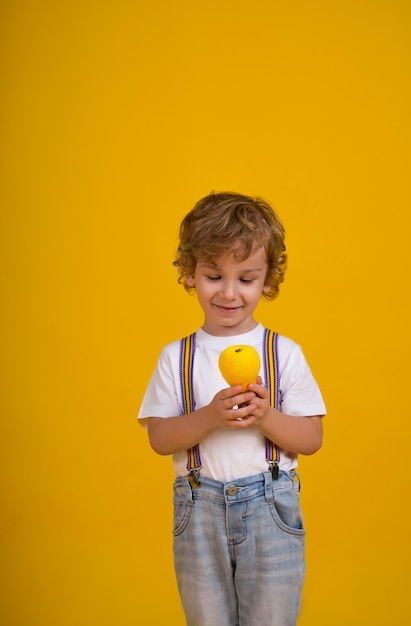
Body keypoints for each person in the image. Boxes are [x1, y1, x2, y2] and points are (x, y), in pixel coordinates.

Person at [138, 191, 326, 626]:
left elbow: (312, 439)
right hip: (198, 510)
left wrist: (265, 415)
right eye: (212, 275)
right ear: (189, 274)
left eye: (246, 279)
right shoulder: (176, 357)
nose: (228, 293)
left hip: (270, 508)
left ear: (268, 282)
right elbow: (159, 438)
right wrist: (209, 416)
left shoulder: (283, 353)